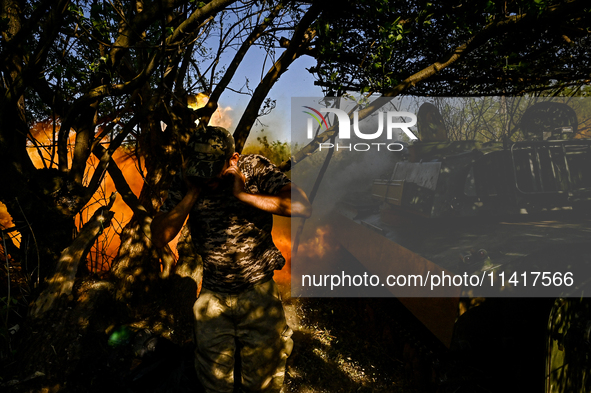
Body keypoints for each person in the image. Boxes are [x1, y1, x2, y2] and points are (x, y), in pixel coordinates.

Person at [151, 126, 312, 393]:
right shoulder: (189, 178)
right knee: (214, 382)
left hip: (258, 292)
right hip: (213, 296)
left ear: (233, 159)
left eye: (215, 168)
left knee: (263, 381)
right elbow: (159, 235)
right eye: (202, 168)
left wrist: (243, 195)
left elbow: (301, 206)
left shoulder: (254, 167)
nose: (209, 178)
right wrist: (192, 193)